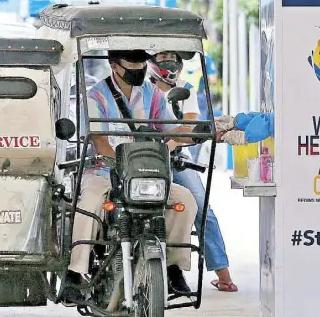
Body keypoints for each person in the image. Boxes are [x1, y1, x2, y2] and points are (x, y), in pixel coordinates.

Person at [63, 49, 198, 301]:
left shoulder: (153, 94)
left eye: (141, 63)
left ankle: (173, 267)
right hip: (104, 170)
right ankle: (75, 271)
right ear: (115, 66)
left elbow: (173, 130)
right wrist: (120, 164)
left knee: (186, 200)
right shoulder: (96, 96)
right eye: (132, 64)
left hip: (147, 174)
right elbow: (100, 143)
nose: (138, 68)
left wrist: (211, 130)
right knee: (90, 203)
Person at [148, 51, 238, 292]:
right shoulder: (140, 89)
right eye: (163, 56)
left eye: (174, 56)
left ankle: (223, 273)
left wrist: (171, 145)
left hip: (174, 156)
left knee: (201, 206)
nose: (170, 61)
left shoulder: (185, 89)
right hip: (140, 156)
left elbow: (188, 127)